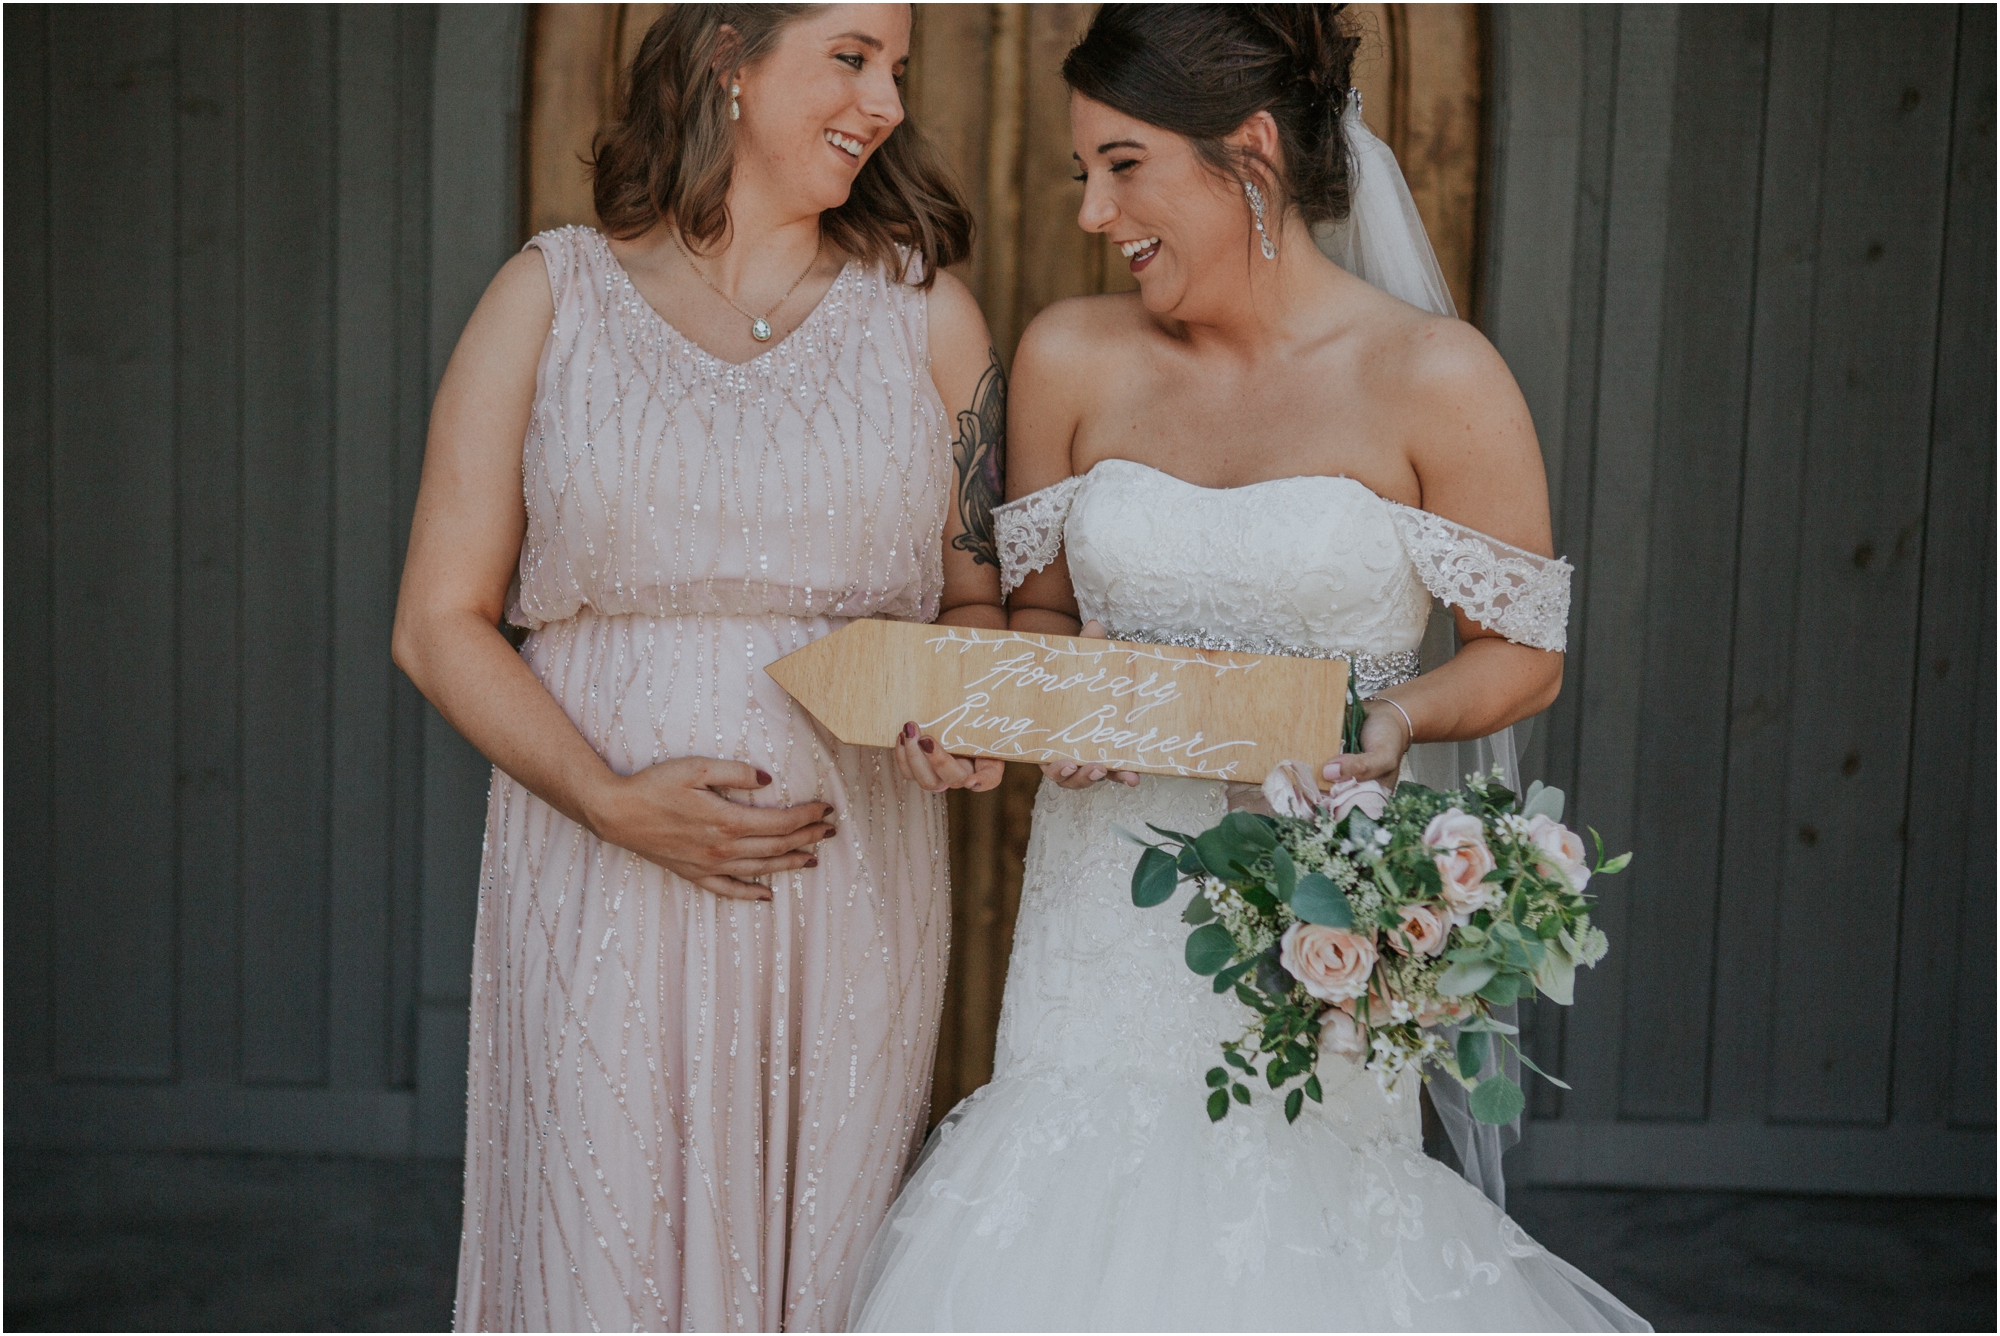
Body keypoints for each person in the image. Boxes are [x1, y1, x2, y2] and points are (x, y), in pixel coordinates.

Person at [849, 5, 1650, 1330]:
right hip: (1097, 929)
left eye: (1123, 166)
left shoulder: (1434, 377)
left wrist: (1394, 722)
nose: (1096, 213)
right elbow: (1035, 622)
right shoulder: (1067, 356)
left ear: (1252, 155)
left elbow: (1524, 659)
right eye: (1081, 174)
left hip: (1310, 919)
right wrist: (1005, 713)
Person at [392, 5, 1005, 1328]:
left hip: (850, 880)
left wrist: (962, 699)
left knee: (826, 1255)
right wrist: (609, 800)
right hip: (598, 860)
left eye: (897, 69)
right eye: (851, 57)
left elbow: (980, 596)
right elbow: (439, 619)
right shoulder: (548, 296)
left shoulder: (934, 322)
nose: (887, 101)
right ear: (732, 56)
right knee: (602, 1238)